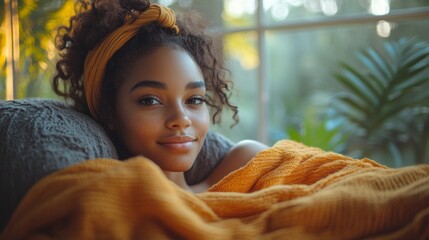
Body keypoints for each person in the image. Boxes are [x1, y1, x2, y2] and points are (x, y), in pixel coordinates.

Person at [52, 0, 267, 192]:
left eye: (195, 100)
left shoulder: (249, 163)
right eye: (150, 100)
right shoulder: (103, 200)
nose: (181, 119)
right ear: (110, 111)